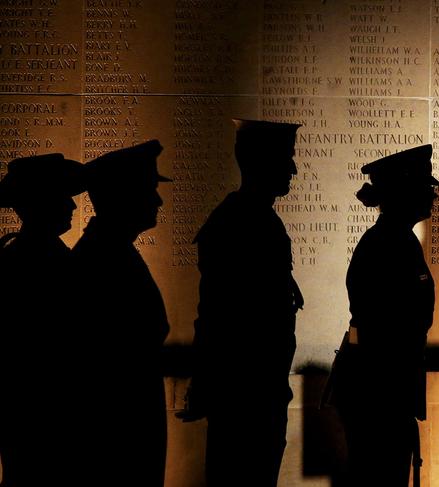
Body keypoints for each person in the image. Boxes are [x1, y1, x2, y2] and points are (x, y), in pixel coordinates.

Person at [179, 119, 304, 487]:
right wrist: (206, 383)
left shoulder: (259, 220)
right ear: (260, 163)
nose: (294, 169)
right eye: (286, 159)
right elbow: (217, 313)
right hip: (244, 395)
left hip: (259, 389)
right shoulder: (237, 223)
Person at [334, 144, 439, 487]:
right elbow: (384, 323)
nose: (432, 196)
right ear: (404, 192)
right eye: (425, 188)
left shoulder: (398, 240)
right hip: (378, 387)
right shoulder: (387, 243)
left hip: (385, 383)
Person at [71, 140, 171, 487]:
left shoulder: (111, 252)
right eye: (149, 190)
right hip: (118, 433)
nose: (158, 201)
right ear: (124, 196)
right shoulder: (102, 260)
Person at [0, 154, 86, 486]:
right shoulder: (36, 262)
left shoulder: (29, 255)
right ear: (39, 204)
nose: (72, 206)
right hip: (41, 414)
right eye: (61, 197)